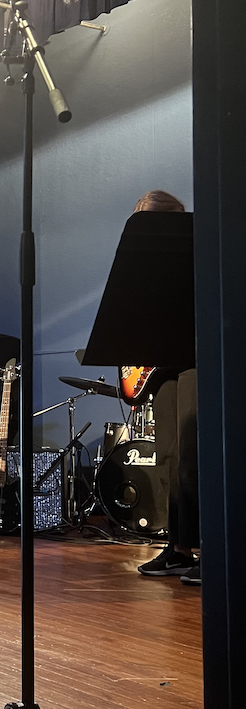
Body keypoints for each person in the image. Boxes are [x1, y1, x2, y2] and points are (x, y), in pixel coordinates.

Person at [131, 192, 200, 585]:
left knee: (193, 457)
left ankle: (210, 549)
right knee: (170, 456)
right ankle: (179, 548)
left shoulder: (196, 250)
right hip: (163, 367)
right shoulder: (143, 264)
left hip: (195, 358)